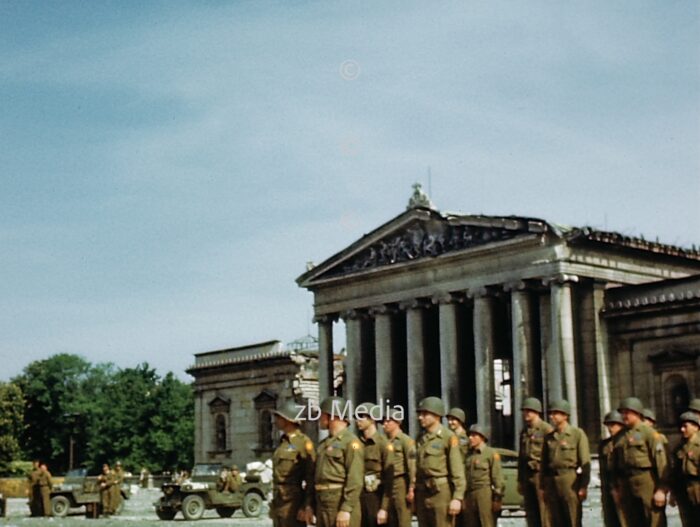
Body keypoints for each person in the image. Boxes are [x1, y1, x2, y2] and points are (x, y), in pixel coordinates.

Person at [612, 397, 669, 527]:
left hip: (646, 480)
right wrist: (616, 486)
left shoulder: (649, 433)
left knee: (653, 520)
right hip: (626, 482)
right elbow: (614, 464)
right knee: (631, 520)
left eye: (627, 412)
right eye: (623, 413)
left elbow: (660, 461)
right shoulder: (620, 436)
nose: (624, 416)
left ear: (637, 413)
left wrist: (661, 489)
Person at [414, 396, 465, 527]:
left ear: (437, 415)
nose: (420, 417)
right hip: (422, 492)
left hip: (441, 493)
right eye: (420, 414)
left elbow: (457, 470)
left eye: (425, 414)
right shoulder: (420, 438)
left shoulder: (448, 437)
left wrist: (457, 498)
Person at [313, 396, 364, 527]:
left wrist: (346, 509)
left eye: (322, 414)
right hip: (322, 502)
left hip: (339, 501)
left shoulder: (351, 443)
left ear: (332, 416)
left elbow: (355, 478)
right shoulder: (323, 445)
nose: (319, 418)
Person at [539, 399, 590, 527]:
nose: (552, 417)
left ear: (565, 416)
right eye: (551, 413)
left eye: (556, 413)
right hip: (552, 481)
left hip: (570, 479)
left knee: (572, 517)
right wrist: (542, 486)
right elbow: (544, 464)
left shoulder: (577, 434)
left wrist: (583, 486)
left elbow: (585, 461)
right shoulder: (549, 437)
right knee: (554, 519)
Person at [270, 399, 316, 527]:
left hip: (293, 502)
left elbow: (310, 477)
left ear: (288, 419)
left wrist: (306, 505)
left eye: (279, 417)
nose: (276, 420)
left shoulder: (303, 443)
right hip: (279, 500)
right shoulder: (282, 442)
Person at [356, 403, 394, 527]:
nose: (358, 420)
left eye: (361, 416)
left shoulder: (383, 444)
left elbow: (389, 480)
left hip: (375, 498)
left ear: (372, 419)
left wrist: (384, 508)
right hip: (358, 498)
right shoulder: (356, 443)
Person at [517, 397, 552, 527]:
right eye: (525, 411)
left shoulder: (546, 429)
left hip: (540, 474)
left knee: (544, 511)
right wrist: (520, 480)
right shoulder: (524, 431)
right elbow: (521, 457)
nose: (526, 414)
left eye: (529, 411)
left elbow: (551, 454)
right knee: (531, 512)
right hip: (527, 475)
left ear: (537, 412)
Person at [463, 424, 503, 527]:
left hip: (484, 493)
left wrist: (497, 499)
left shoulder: (490, 454)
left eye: (474, 435)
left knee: (486, 523)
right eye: (470, 436)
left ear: (482, 437)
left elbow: (497, 478)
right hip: (470, 494)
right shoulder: (468, 455)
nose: (470, 438)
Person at [382, 408, 416, 527]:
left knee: (403, 518)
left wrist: (411, 487)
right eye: (384, 421)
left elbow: (412, 465)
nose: (384, 424)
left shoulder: (405, 441)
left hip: (401, 482)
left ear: (397, 422)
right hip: (387, 483)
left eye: (388, 421)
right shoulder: (385, 441)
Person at [671, 411, 700, 526]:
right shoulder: (679, 448)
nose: (682, 430)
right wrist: (674, 493)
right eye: (681, 427)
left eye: (685, 426)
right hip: (684, 491)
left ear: (696, 427)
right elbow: (675, 472)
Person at [599, 411, 624, 527]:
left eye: (613, 425)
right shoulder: (604, 445)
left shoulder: (625, 442)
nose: (610, 428)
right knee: (610, 519)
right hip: (607, 487)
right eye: (608, 425)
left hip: (622, 487)